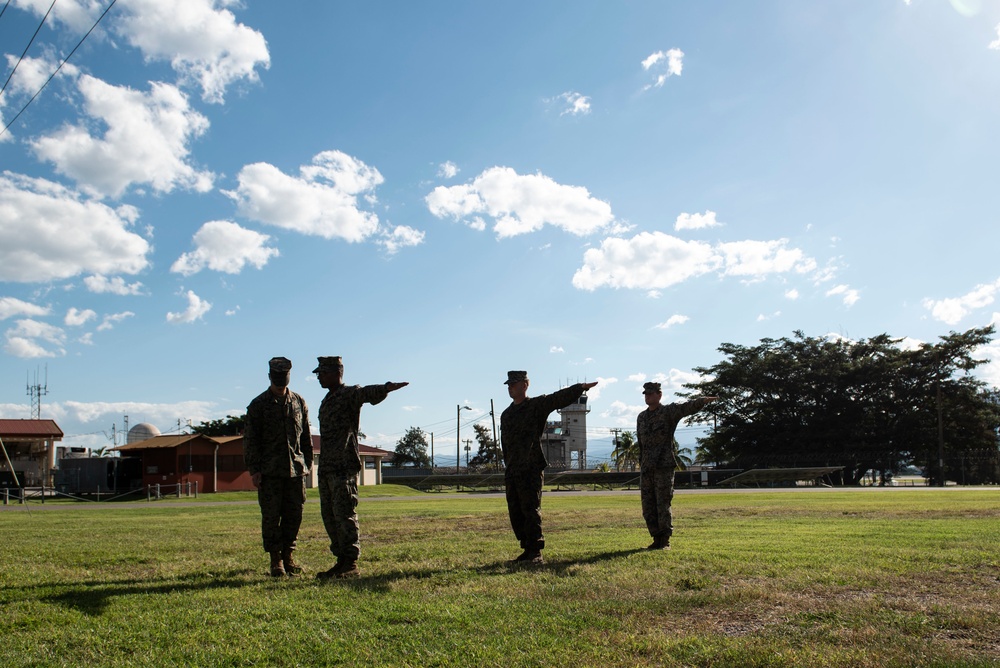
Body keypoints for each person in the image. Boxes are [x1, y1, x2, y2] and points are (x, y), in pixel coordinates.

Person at [313, 356, 408, 580]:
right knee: (330, 517)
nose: (319, 377)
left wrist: (385, 388)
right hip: (326, 468)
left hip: (343, 468)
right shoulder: (327, 400)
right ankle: (341, 561)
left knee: (345, 515)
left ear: (337, 372)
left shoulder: (348, 394)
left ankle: (351, 562)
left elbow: (366, 393)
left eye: (322, 373)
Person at [500, 370, 598, 565]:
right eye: (508, 384)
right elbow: (505, 444)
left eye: (514, 384)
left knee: (530, 509)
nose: (510, 388)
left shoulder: (536, 406)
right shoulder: (506, 414)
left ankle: (536, 551)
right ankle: (526, 549)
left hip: (530, 468)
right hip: (512, 469)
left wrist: (579, 389)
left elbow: (557, 399)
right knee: (516, 511)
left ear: (525, 385)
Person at [243, 356, 313, 577]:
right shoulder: (258, 405)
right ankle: (276, 560)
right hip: (270, 471)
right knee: (271, 516)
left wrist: (308, 465)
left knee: (294, 514)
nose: (281, 379)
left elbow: (306, 438)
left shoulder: (299, 402)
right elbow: (251, 440)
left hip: (295, 471)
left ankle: (288, 555)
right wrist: (254, 470)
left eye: (284, 376)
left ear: (289, 376)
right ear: (269, 376)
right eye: (277, 376)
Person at [635, 381, 717, 550]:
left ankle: (665, 541)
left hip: (663, 466)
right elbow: (641, 444)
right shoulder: (641, 417)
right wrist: (641, 463)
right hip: (647, 467)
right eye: (646, 394)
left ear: (659, 394)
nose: (648, 396)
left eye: (651, 393)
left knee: (662, 504)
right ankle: (655, 538)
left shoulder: (668, 412)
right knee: (648, 506)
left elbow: (686, 407)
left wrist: (702, 401)